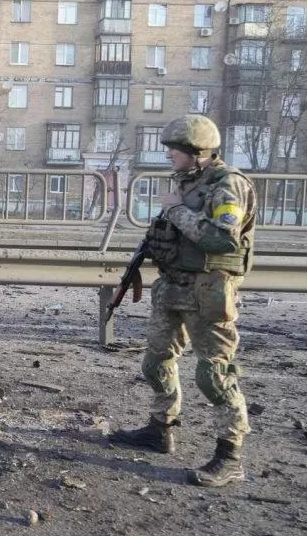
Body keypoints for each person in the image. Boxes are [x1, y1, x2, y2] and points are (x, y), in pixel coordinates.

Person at [110, 114, 257, 488]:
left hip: (208, 291)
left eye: (175, 149)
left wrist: (175, 209)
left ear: (199, 151)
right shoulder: (186, 182)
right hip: (173, 286)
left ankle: (230, 454)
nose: (169, 155)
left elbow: (222, 238)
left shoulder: (228, 185)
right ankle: (160, 429)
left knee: (213, 374)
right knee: (155, 362)